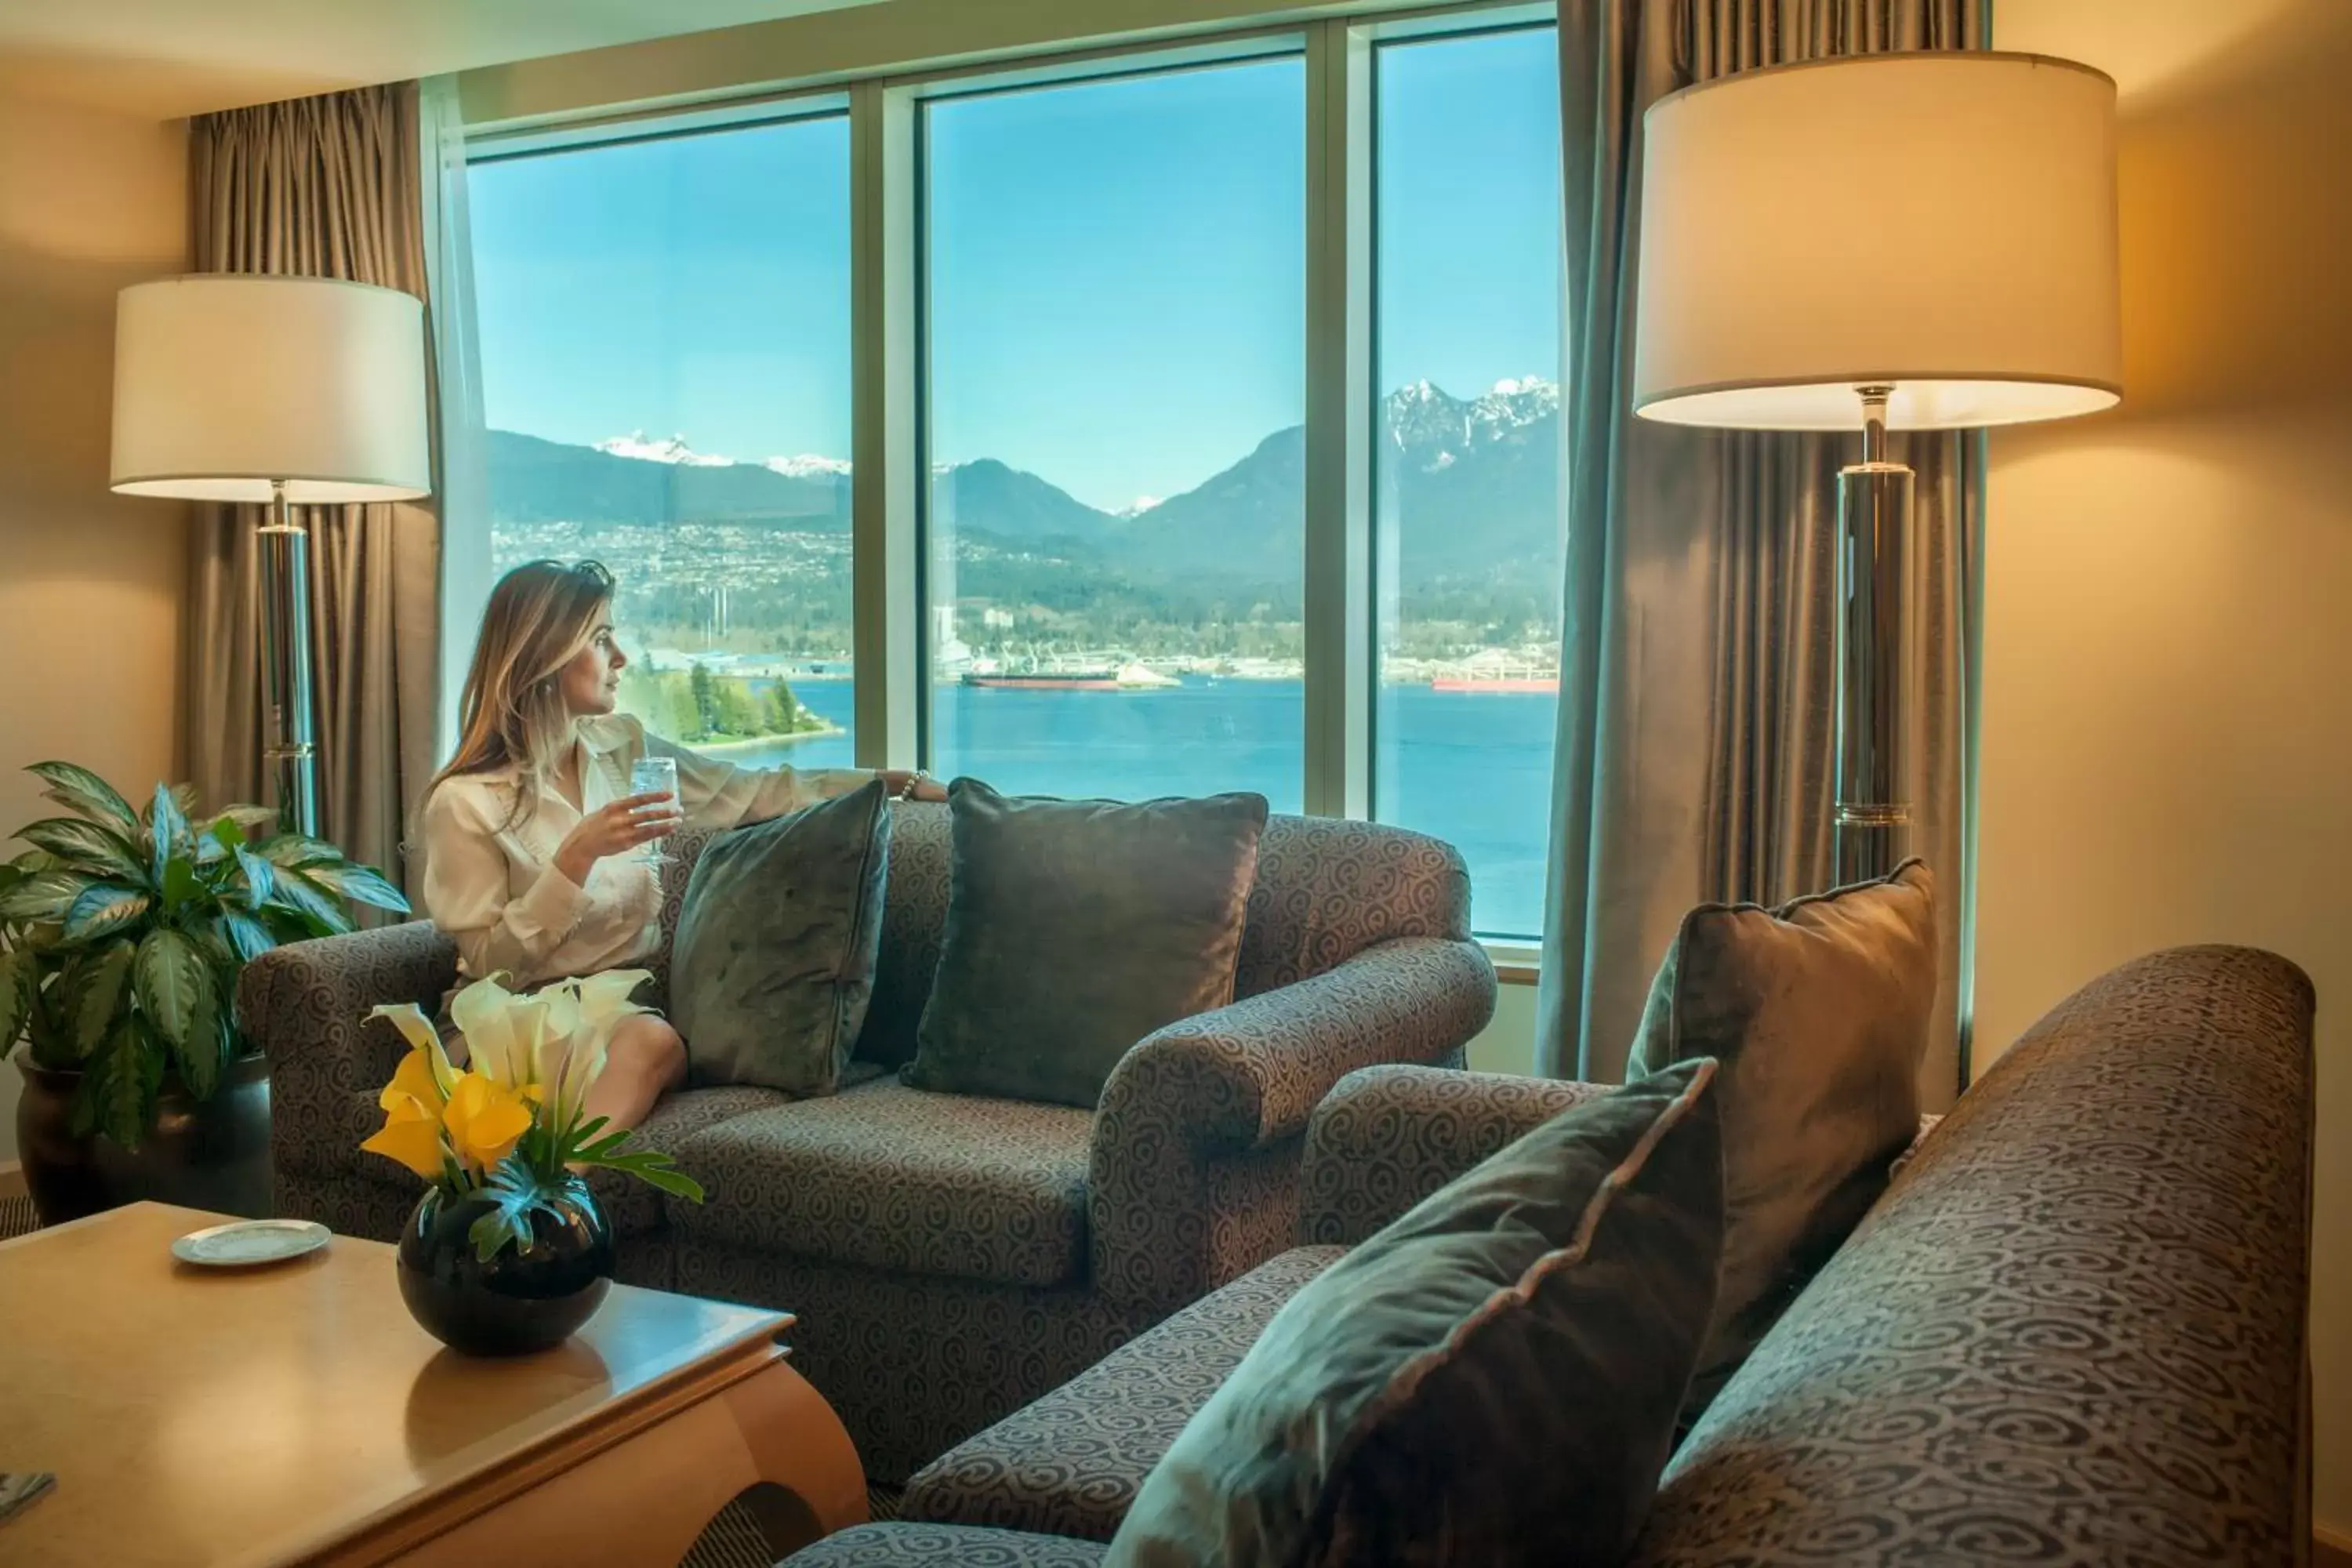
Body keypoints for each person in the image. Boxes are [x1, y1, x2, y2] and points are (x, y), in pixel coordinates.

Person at [419, 559, 944, 1133]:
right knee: (652, 1044)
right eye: (600, 639)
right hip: (507, 1025)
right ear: (544, 656)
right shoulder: (466, 802)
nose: (621, 656)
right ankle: (556, 1201)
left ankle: (538, 1195)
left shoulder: (624, 747)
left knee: (650, 1039)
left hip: (617, 1015)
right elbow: (493, 967)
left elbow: (753, 793)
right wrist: (574, 859)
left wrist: (898, 783)